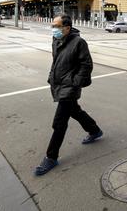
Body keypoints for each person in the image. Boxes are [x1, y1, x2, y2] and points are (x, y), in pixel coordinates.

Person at [34, 15, 103, 176]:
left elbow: (86, 65)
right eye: (53, 26)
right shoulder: (56, 39)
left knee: (59, 123)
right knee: (75, 111)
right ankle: (94, 131)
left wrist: (75, 82)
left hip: (69, 87)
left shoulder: (79, 42)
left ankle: (51, 157)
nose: (54, 29)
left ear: (67, 27)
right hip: (59, 84)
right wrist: (52, 76)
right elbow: (56, 61)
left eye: (56, 26)